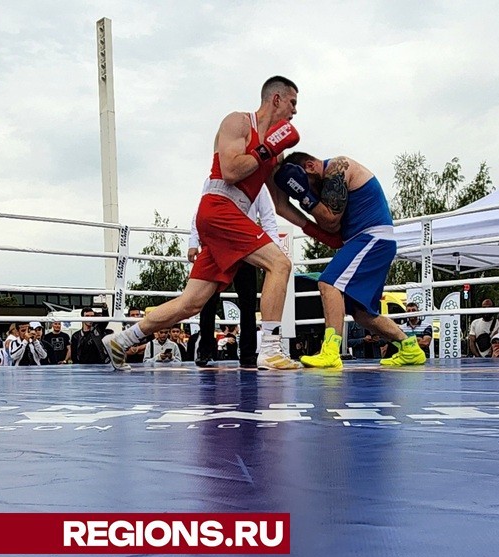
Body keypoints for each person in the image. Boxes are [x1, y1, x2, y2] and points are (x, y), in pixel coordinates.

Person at [109, 76, 306, 371]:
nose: (294, 111)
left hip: (230, 218)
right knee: (279, 264)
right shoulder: (238, 122)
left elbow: (276, 203)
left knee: (192, 302)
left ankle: (123, 339)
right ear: (276, 99)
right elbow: (229, 170)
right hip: (218, 208)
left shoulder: (273, 149)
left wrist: (316, 228)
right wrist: (266, 148)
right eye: (292, 103)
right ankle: (270, 349)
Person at [271, 151, 426, 368]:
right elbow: (281, 207)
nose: (313, 191)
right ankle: (410, 348)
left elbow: (331, 221)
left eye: (308, 184)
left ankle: (331, 352)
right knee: (362, 313)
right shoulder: (322, 179)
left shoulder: (338, 167)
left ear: (310, 166)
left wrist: (304, 195)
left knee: (328, 283)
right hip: (364, 240)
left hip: (372, 236)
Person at [189, 186, 279, 368]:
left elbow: (268, 216)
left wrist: (274, 254)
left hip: (245, 246)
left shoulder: (258, 184)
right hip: (217, 244)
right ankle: (205, 349)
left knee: (248, 301)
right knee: (207, 298)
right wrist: (193, 241)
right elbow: (201, 211)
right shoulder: (214, 179)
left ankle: (247, 353)